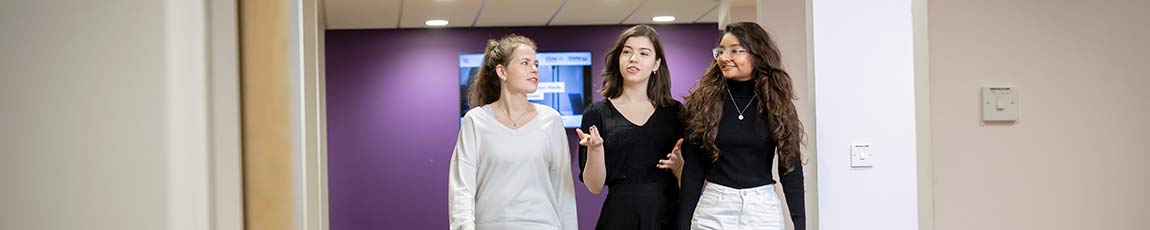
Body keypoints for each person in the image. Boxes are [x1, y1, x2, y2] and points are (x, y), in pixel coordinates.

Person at [678, 22, 807, 230]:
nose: (724, 57)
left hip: (762, 209)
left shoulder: (778, 105)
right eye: (720, 51)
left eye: (735, 50)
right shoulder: (703, 103)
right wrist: (683, 224)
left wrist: (800, 224)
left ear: (757, 54)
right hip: (714, 208)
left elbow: (790, 168)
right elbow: (694, 170)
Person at [449, 34, 578, 230]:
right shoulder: (475, 121)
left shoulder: (551, 120)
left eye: (536, 63)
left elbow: (563, 191)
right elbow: (462, 189)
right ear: (502, 71)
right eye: (525, 63)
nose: (534, 69)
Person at [576, 25, 685, 230]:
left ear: (656, 64)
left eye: (644, 53)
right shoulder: (596, 113)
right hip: (619, 217)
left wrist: (679, 167)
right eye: (627, 52)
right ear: (618, 60)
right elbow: (594, 186)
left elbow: (691, 180)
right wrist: (596, 150)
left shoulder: (675, 112)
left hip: (668, 216)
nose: (633, 58)